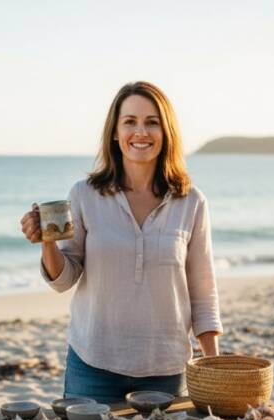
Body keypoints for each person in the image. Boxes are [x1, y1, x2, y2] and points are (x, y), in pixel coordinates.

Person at [20, 81, 222, 403]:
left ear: (166, 132)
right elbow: (64, 280)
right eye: (130, 122)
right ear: (115, 132)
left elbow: (202, 291)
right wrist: (47, 242)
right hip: (92, 364)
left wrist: (211, 363)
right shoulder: (85, 195)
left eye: (151, 122)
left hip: (166, 369)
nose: (140, 132)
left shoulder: (191, 202)